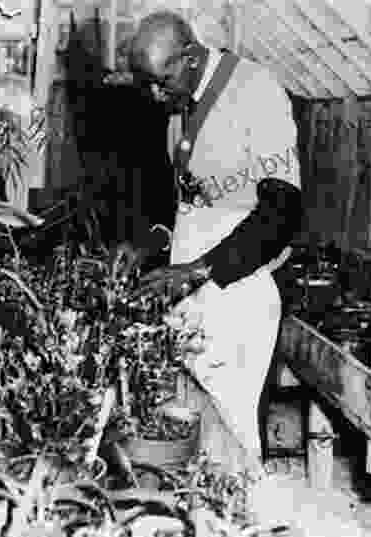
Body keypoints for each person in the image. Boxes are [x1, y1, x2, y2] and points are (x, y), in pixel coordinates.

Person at [113, 10, 303, 472]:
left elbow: (281, 211)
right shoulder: (180, 107)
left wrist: (199, 270)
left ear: (192, 57)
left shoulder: (256, 92)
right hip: (192, 291)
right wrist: (150, 241)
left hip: (238, 290)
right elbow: (185, 206)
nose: (156, 95)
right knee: (190, 421)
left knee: (232, 431)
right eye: (148, 84)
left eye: (162, 81)